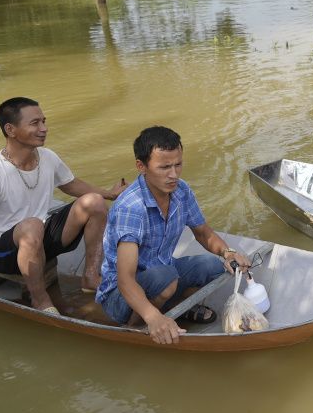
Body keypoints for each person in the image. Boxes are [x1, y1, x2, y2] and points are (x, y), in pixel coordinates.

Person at [0, 97, 129, 313]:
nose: (44, 128)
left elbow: (71, 185)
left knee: (94, 202)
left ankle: (90, 277)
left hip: (39, 239)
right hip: (2, 253)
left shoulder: (48, 157)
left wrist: (109, 194)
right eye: (35, 123)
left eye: (43, 121)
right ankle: (39, 299)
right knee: (32, 225)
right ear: (11, 130)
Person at [95, 126, 252, 345]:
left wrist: (229, 252)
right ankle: (137, 326)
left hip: (164, 275)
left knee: (213, 266)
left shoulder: (182, 191)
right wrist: (153, 318)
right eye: (164, 167)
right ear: (141, 167)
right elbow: (125, 279)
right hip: (120, 298)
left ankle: (167, 307)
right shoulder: (131, 207)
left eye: (178, 164)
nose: (174, 174)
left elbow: (203, 232)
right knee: (166, 278)